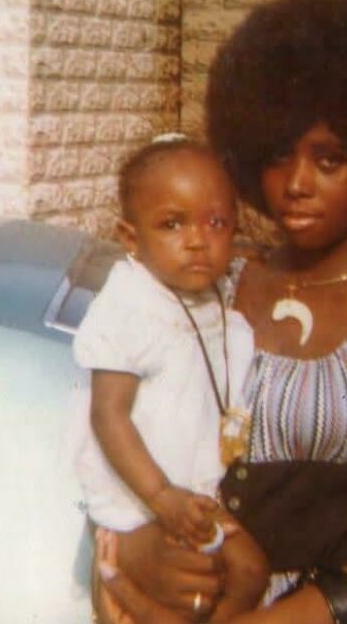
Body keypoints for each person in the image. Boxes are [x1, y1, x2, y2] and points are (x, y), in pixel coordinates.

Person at [96, 0, 347, 624]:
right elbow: (124, 443)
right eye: (279, 154)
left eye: (330, 159)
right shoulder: (213, 288)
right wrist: (134, 553)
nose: (297, 184)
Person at [72, 136, 269, 622]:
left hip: (194, 494)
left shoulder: (213, 301)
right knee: (179, 593)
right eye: (172, 224)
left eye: (216, 222)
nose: (198, 239)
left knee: (250, 570)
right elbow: (108, 415)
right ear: (131, 238)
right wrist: (160, 498)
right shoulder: (130, 306)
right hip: (139, 501)